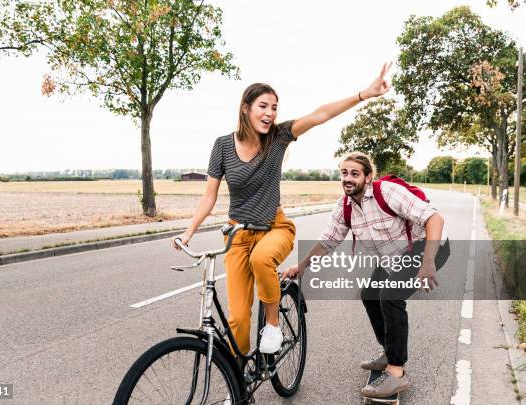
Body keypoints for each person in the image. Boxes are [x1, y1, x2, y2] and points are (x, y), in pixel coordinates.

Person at [173, 64, 392, 357]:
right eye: (263, 106)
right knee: (238, 319)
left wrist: (364, 94)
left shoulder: (278, 137)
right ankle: (238, 383)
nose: (270, 113)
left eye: (274, 108)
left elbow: (319, 115)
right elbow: (209, 195)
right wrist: (188, 233)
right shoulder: (223, 145)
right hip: (238, 234)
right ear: (246, 108)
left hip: (274, 227)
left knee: (263, 259)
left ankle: (273, 325)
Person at [281, 152, 445, 398]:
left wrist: (428, 261)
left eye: (354, 174)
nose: (348, 178)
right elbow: (328, 241)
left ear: (368, 177)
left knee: (390, 296)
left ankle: (396, 372)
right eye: (344, 173)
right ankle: (390, 352)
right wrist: (302, 265)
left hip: (427, 248)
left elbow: (435, 218)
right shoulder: (345, 206)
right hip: (396, 258)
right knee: (369, 294)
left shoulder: (386, 192)